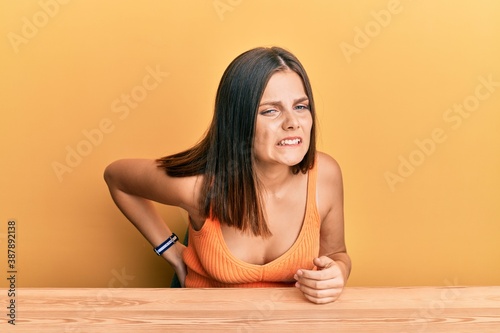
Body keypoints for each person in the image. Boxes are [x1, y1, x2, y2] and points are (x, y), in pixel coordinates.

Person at [104, 46, 351, 304]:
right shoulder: (199, 187)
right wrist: (172, 252)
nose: (293, 122)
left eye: (301, 106)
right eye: (270, 110)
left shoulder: (325, 175)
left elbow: (337, 253)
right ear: (238, 121)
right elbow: (117, 178)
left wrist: (338, 272)